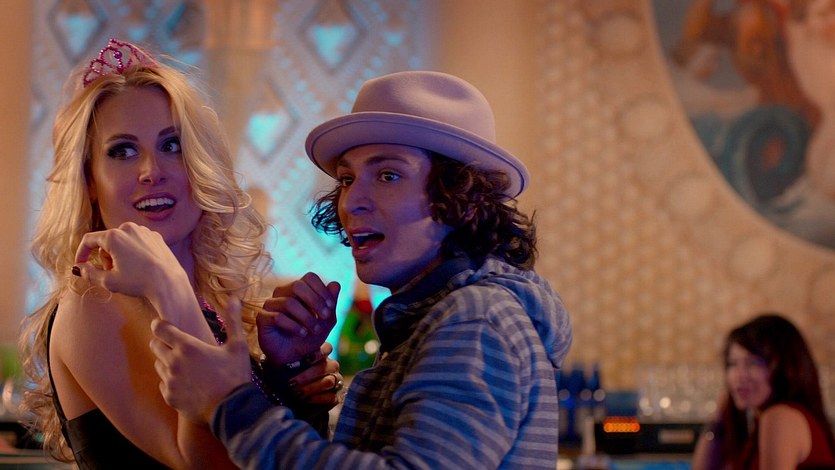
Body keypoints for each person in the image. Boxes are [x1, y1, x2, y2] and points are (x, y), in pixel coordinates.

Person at [143, 70, 573, 468]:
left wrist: (229, 402)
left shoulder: (474, 319)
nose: (351, 203)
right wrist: (295, 374)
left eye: (388, 175)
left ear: (463, 198)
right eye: (347, 179)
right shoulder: (433, 318)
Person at [18, 38, 341, 469]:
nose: (151, 171)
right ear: (91, 182)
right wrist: (169, 286)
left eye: (172, 145)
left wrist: (291, 379)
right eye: (122, 151)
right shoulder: (93, 300)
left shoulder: (209, 296)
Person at [692, 313, 835, 470]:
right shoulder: (761, 422)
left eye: (753, 363)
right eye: (732, 364)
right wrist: (720, 416)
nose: (739, 375)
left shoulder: (780, 416)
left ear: (784, 367)